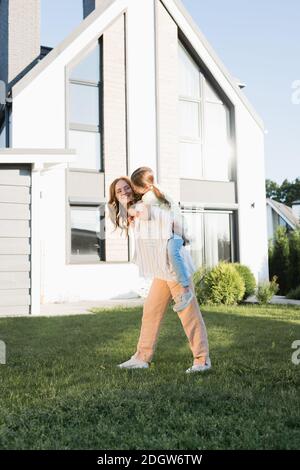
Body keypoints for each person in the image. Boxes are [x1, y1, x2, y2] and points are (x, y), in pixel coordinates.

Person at [108, 176, 211, 373]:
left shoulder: (144, 203)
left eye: (126, 188)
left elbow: (147, 215)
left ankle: (202, 359)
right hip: (161, 269)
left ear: (134, 188)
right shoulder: (131, 210)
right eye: (119, 191)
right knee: (151, 310)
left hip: (173, 267)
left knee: (188, 313)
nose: (124, 192)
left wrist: (130, 207)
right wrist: (125, 207)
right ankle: (141, 357)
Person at [130, 166, 193, 312]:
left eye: (134, 186)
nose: (133, 189)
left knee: (172, 252)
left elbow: (145, 212)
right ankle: (180, 289)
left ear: (144, 187)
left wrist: (134, 211)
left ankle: (186, 290)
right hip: (176, 229)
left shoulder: (149, 197)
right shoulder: (156, 191)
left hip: (174, 231)